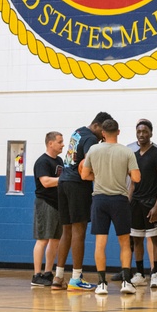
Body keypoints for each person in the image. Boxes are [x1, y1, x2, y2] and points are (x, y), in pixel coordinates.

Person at [52, 112, 112, 291]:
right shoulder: (91, 140)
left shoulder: (77, 131)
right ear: (98, 126)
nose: (103, 136)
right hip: (77, 184)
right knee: (79, 230)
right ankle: (76, 278)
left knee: (66, 231)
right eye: (103, 132)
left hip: (63, 182)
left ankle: (58, 277)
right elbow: (87, 163)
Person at [82, 118, 141, 295]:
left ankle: (101, 283)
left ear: (102, 133)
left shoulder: (93, 149)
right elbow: (136, 178)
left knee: (100, 243)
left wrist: (99, 177)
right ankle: (126, 282)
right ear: (119, 132)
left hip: (99, 200)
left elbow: (85, 175)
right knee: (124, 242)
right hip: (119, 200)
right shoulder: (127, 152)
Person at [129, 119, 157, 288]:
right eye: (139, 132)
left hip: (152, 202)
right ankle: (139, 274)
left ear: (151, 133)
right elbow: (133, 182)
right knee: (137, 239)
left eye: (145, 131)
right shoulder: (134, 155)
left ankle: (156, 273)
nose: (142, 134)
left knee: (155, 238)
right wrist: (127, 201)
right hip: (136, 203)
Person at [31, 131, 63, 287]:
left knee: (55, 240)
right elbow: (46, 182)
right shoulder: (42, 162)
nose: (62, 144)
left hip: (58, 205)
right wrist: (64, 179)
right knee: (42, 239)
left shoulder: (60, 161)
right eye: (60, 142)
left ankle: (48, 272)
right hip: (45, 203)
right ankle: (36, 275)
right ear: (51, 143)